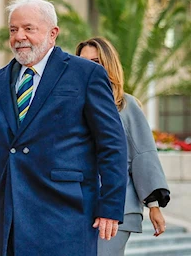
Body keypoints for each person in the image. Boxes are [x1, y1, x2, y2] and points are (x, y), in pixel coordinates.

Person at [0, 0, 128, 256]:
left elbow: (112, 145)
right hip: (13, 215)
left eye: (29, 28)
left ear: (53, 33)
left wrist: (111, 206)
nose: (19, 36)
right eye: (13, 30)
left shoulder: (86, 75)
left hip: (68, 215)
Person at [76, 37, 170, 256]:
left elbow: (143, 156)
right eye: (83, 61)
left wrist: (154, 206)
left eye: (96, 61)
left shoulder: (126, 105)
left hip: (118, 208)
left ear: (109, 65)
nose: (89, 67)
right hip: (78, 207)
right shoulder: (73, 105)